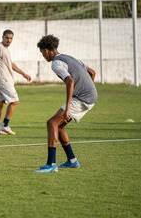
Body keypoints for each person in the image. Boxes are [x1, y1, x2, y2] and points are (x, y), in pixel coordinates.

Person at [35, 35, 98, 173]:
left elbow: (70, 81)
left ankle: (51, 164)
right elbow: (92, 72)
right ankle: (72, 161)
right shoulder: (70, 57)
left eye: (42, 52)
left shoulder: (56, 63)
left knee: (52, 123)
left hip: (82, 98)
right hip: (90, 96)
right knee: (60, 127)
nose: (43, 56)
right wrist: (89, 89)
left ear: (48, 50)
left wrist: (68, 108)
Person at [0, 29, 31, 135]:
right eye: (7, 37)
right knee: (14, 101)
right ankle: (6, 126)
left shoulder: (6, 50)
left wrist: (23, 73)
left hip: (4, 80)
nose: (9, 40)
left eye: (11, 38)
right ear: (2, 37)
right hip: (3, 80)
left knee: (0, 103)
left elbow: (11, 64)